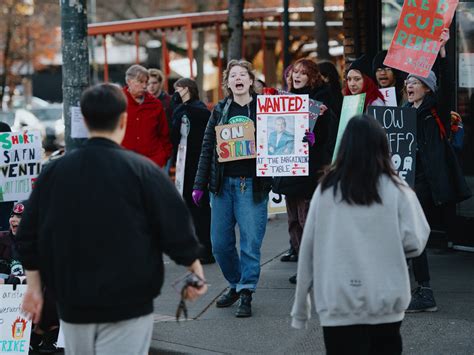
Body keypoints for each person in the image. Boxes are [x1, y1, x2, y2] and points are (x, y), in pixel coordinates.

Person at [16, 83, 207, 354]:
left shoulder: (55, 172)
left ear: (83, 119)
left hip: (73, 301)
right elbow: (176, 229)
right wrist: (194, 268)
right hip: (129, 300)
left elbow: (27, 234)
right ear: (124, 120)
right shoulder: (143, 171)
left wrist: (34, 288)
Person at [291, 114, 430, 354]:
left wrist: (301, 308)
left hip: (337, 301)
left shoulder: (326, 190)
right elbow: (415, 242)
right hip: (385, 300)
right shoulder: (398, 189)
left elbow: (308, 249)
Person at [192, 59, 271, 318]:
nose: (237, 78)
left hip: (251, 186)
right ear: (228, 83)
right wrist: (199, 184)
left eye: (242, 74)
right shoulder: (219, 110)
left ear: (251, 81)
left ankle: (246, 290)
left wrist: (303, 138)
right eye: (232, 75)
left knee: (250, 242)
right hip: (222, 187)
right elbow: (207, 148)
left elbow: (284, 135)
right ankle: (237, 282)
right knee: (220, 245)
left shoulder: (264, 108)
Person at [403, 28, 471, 313]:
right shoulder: (403, 112)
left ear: (427, 88)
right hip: (407, 180)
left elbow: (442, 81)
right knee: (408, 233)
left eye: (415, 81)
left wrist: (441, 53)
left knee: (414, 232)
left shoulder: (435, 111)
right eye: (407, 81)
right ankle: (415, 288)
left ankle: (425, 291)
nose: (409, 85)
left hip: (428, 182)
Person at [272, 58, 337, 283]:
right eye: (294, 72)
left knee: (307, 220)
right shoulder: (284, 101)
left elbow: (329, 137)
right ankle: (304, 265)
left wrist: (315, 137)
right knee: (293, 223)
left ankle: (316, 267)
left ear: (312, 77)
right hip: (289, 171)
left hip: (309, 172)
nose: (297, 76)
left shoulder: (321, 102)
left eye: (302, 73)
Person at [171, 78, 213, 264]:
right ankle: (199, 246)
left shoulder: (195, 110)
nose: (175, 92)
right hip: (185, 161)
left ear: (186, 89)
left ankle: (204, 247)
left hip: (194, 162)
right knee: (192, 205)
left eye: (177, 89)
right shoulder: (188, 109)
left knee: (198, 206)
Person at [122, 64, 173, 167]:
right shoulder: (118, 101)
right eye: (140, 82)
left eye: (146, 82)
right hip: (125, 163)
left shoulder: (155, 104)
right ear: (129, 81)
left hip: (152, 163)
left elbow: (164, 133)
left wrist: (163, 156)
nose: (145, 86)